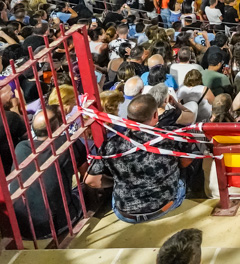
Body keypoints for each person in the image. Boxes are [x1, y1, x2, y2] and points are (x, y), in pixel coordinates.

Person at [85, 94, 198, 223]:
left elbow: (91, 181)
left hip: (125, 214)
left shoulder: (111, 144)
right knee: (186, 170)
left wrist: (118, 181)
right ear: (155, 115)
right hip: (163, 207)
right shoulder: (171, 136)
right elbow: (186, 162)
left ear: (128, 118)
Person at [9, 106, 86, 241]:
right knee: (84, 188)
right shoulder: (68, 143)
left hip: (22, 227)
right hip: (57, 224)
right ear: (58, 125)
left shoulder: (21, 147)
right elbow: (86, 177)